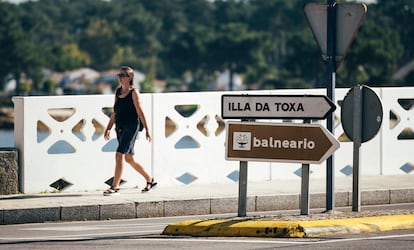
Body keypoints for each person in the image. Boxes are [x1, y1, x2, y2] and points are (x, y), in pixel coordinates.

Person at [103, 66, 156, 196]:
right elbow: (115, 112)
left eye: (123, 75)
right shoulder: (117, 92)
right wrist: (108, 128)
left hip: (132, 126)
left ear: (129, 77)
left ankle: (115, 187)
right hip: (120, 127)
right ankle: (150, 180)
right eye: (119, 75)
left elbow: (140, 112)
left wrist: (147, 129)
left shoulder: (134, 92)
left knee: (119, 154)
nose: (120, 78)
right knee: (129, 158)